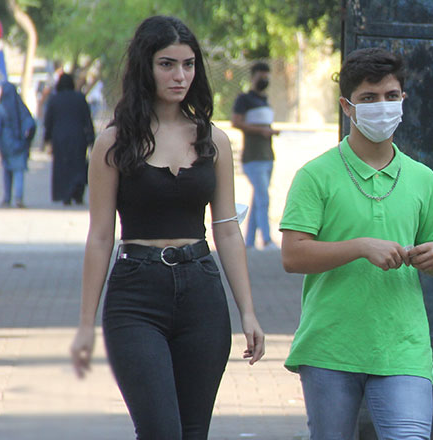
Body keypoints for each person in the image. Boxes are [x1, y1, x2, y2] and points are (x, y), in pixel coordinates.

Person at [68, 16, 266, 439]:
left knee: (193, 433)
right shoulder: (113, 143)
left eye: (189, 64)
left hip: (202, 292)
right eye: (167, 64)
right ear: (145, 67)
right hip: (136, 296)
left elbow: (228, 229)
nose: (180, 76)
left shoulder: (214, 140)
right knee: (161, 431)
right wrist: (85, 324)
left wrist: (248, 310)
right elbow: (100, 235)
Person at [279, 47, 433, 439]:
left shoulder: (422, 178)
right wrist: (360, 246)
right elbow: (292, 255)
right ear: (347, 106)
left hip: (403, 348)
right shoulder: (315, 175)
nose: (382, 107)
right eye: (368, 98)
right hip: (330, 347)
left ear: (404, 100)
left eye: (391, 96)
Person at [231, 61, 279, 250]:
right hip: (253, 157)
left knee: (258, 199)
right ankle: (266, 239)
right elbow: (236, 122)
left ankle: (249, 243)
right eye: (261, 77)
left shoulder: (265, 100)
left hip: (268, 156)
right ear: (253, 78)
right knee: (263, 198)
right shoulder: (244, 99)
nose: (265, 80)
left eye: (267, 77)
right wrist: (261, 131)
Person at [44, 73, 95, 205]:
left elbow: (48, 121)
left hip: (59, 138)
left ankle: (65, 194)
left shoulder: (54, 100)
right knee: (78, 165)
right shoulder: (80, 98)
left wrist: (47, 139)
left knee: (63, 167)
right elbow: (87, 119)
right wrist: (91, 139)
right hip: (78, 137)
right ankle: (77, 193)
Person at [0, 82, 37, 208]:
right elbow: (30, 123)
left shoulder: (1, 108)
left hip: (5, 146)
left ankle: (7, 198)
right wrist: (27, 138)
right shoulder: (20, 105)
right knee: (19, 171)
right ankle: (18, 198)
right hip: (19, 145)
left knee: (7, 172)